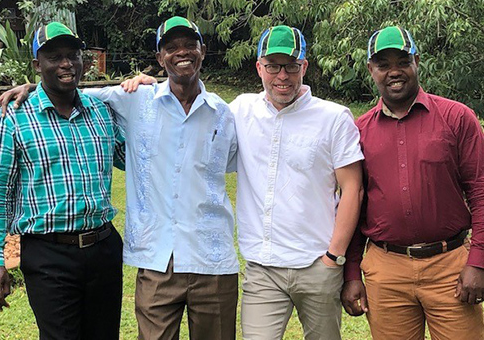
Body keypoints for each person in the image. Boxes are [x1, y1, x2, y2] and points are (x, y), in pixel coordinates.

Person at [0, 16, 239, 340]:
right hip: (120, 257)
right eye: (171, 47)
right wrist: (31, 89)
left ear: (203, 50)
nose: (181, 53)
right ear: (159, 57)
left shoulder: (224, 113)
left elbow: (134, 153)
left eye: (189, 45)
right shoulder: (130, 100)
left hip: (178, 256)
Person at [122, 25, 364, 339]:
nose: (282, 76)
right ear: (259, 67)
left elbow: (353, 189)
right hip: (262, 269)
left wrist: (334, 257)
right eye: (273, 66)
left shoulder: (333, 118)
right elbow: (189, 118)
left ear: (304, 66)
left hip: (317, 265)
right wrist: (150, 86)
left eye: (291, 66)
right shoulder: (237, 111)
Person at [0, 21, 126, 339]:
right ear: (37, 65)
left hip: (104, 249)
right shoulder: (14, 117)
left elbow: (131, 160)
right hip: (49, 256)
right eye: (54, 56)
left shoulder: (100, 112)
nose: (66, 63)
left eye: (73, 55)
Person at [341, 26, 484, 340]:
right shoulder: (358, 131)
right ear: (371, 69)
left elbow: (480, 189)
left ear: (417, 61)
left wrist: (479, 260)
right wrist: (352, 272)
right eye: (383, 64)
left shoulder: (458, 118)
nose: (394, 71)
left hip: (450, 267)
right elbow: (354, 204)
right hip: (386, 270)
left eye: (403, 61)